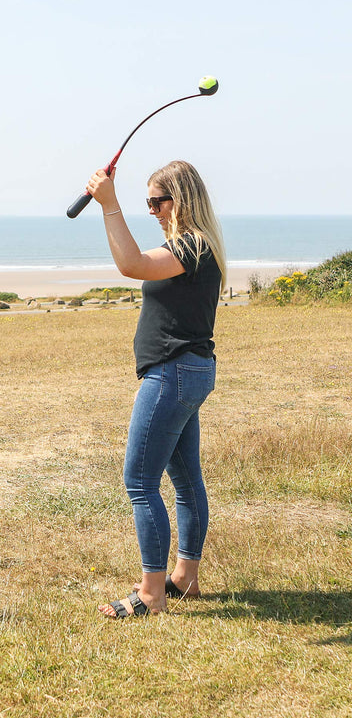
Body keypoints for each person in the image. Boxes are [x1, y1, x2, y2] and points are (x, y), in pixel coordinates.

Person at [87, 160, 226, 619]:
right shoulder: (196, 246)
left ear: (180, 199)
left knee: (140, 482)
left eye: (156, 201)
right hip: (186, 371)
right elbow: (138, 264)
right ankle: (184, 578)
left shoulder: (192, 245)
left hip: (173, 375)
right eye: (146, 202)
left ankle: (151, 592)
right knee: (186, 482)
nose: (151, 211)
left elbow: (132, 265)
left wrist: (110, 205)